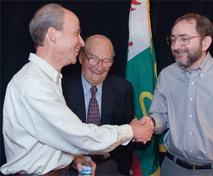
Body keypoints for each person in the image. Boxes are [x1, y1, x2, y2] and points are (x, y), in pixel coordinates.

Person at [0, 3, 154, 175]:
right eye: (76, 33)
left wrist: (73, 158)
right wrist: (131, 130)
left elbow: (49, 137)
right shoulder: (35, 85)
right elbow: (79, 136)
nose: (81, 42)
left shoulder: (46, 79)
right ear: (53, 35)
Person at [146, 13, 213, 175]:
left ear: (205, 42)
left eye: (184, 39)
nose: (175, 46)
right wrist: (151, 122)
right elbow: (162, 117)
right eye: (173, 39)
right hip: (172, 168)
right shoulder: (167, 76)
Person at [62, 34, 135, 175]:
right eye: (93, 59)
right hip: (71, 168)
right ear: (81, 57)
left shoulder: (123, 89)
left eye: (106, 61)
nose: (99, 67)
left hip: (111, 168)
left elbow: (128, 138)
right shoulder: (62, 88)